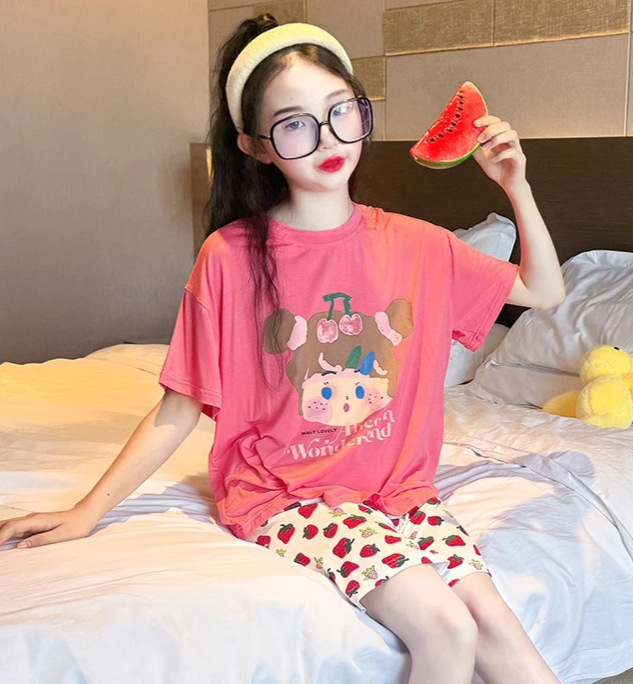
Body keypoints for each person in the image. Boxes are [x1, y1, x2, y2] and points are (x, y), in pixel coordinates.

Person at [0, 15, 565, 684]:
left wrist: (515, 184)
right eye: (295, 124)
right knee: (446, 626)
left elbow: (542, 290)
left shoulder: (418, 244)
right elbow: (177, 409)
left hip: (400, 492)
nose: (327, 138)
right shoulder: (229, 257)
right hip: (286, 495)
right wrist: (87, 511)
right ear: (255, 145)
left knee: (497, 626)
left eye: (340, 111)